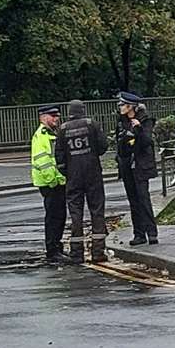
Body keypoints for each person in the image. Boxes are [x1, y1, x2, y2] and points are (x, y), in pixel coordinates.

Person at [54, 100, 108, 263]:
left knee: (75, 213)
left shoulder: (62, 129)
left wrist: (67, 172)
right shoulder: (92, 124)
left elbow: (59, 156)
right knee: (97, 211)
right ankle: (98, 251)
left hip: (73, 176)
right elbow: (103, 146)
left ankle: (77, 253)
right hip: (93, 173)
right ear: (82, 110)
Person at [114, 91, 158, 246]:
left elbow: (147, 142)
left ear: (131, 106)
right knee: (133, 201)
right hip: (127, 166)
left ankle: (152, 232)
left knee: (143, 199)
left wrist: (138, 129)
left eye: (122, 105)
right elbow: (120, 145)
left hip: (141, 165)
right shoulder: (121, 121)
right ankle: (139, 234)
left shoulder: (145, 120)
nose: (119, 107)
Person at [29, 106, 67, 265]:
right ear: (43, 118)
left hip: (56, 181)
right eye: (52, 116)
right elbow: (43, 161)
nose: (56, 119)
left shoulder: (53, 133)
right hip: (50, 183)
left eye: (57, 116)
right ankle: (52, 251)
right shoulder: (41, 136)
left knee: (60, 216)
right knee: (53, 217)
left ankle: (57, 247)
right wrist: (54, 180)